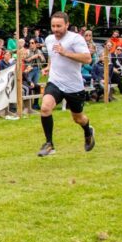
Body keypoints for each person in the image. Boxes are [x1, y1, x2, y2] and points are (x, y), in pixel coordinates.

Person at [37, 11, 95, 157]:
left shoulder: (76, 39)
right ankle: (49, 144)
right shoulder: (49, 39)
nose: (55, 29)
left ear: (67, 25)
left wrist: (66, 52)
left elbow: (87, 59)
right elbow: (53, 57)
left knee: (78, 118)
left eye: (59, 26)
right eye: (53, 26)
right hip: (55, 81)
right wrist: (49, 67)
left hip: (73, 86)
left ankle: (88, 131)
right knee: (45, 108)